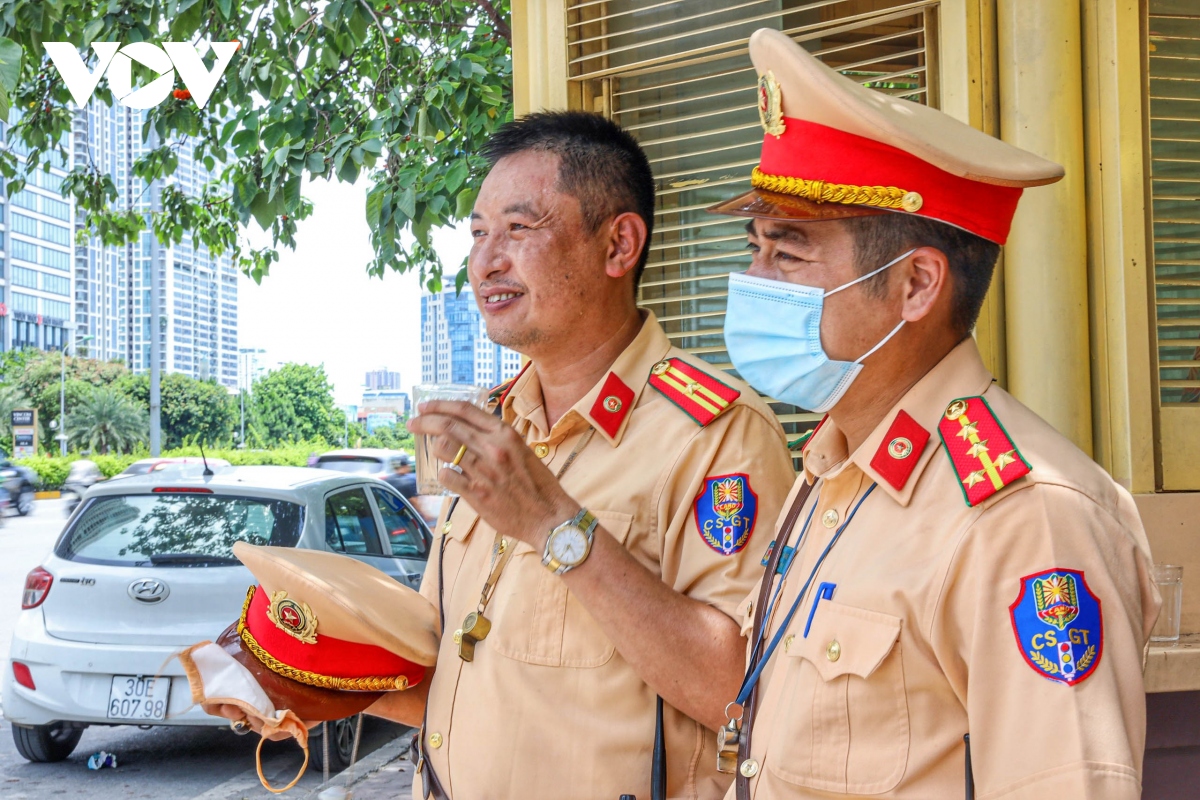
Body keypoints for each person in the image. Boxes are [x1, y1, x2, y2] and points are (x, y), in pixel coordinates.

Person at [211, 111, 796, 800]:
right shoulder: (491, 425)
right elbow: (456, 672)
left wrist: (556, 528)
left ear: (618, 245)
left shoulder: (714, 435)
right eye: (480, 233)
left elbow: (742, 695)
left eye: (520, 229)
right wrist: (303, 675)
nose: (487, 260)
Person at [706, 29, 1161, 800]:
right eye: (755, 249)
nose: (753, 281)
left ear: (917, 284)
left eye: (787, 254)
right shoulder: (833, 467)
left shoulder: (1022, 519)